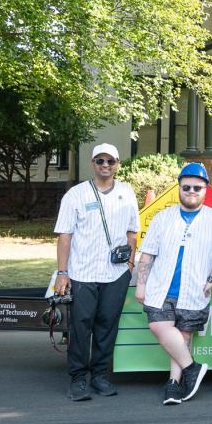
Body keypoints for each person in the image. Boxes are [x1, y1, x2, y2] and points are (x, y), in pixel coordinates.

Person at [135, 162, 212, 406]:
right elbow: (147, 253)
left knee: (182, 336)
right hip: (162, 288)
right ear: (179, 187)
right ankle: (192, 368)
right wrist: (141, 283)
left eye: (197, 188)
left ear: (205, 190)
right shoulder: (163, 217)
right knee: (160, 328)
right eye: (187, 187)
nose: (192, 191)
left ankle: (174, 383)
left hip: (194, 289)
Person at [53, 143, 140, 401]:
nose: (105, 166)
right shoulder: (76, 195)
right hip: (83, 273)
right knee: (81, 327)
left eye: (110, 161)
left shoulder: (126, 192)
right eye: (100, 161)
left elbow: (132, 232)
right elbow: (64, 237)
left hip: (115, 274)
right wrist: (62, 272)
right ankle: (78, 379)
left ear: (117, 164)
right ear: (93, 163)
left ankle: (100, 375)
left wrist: (130, 263)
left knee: (107, 325)